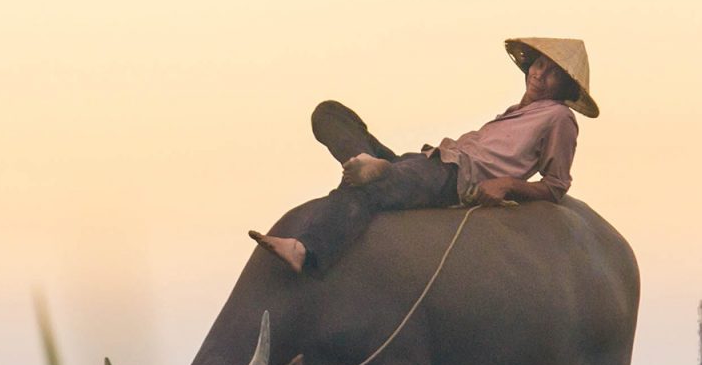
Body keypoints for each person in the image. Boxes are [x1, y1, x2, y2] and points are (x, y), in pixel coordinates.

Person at [249, 37, 598, 277]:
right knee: (328, 113)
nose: (538, 73)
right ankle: (369, 162)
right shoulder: (516, 111)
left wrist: (506, 184)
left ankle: (308, 251)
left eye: (552, 72)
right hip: (428, 160)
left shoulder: (558, 117)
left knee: (367, 191)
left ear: (565, 86)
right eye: (538, 64)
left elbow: (556, 186)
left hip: (454, 174)